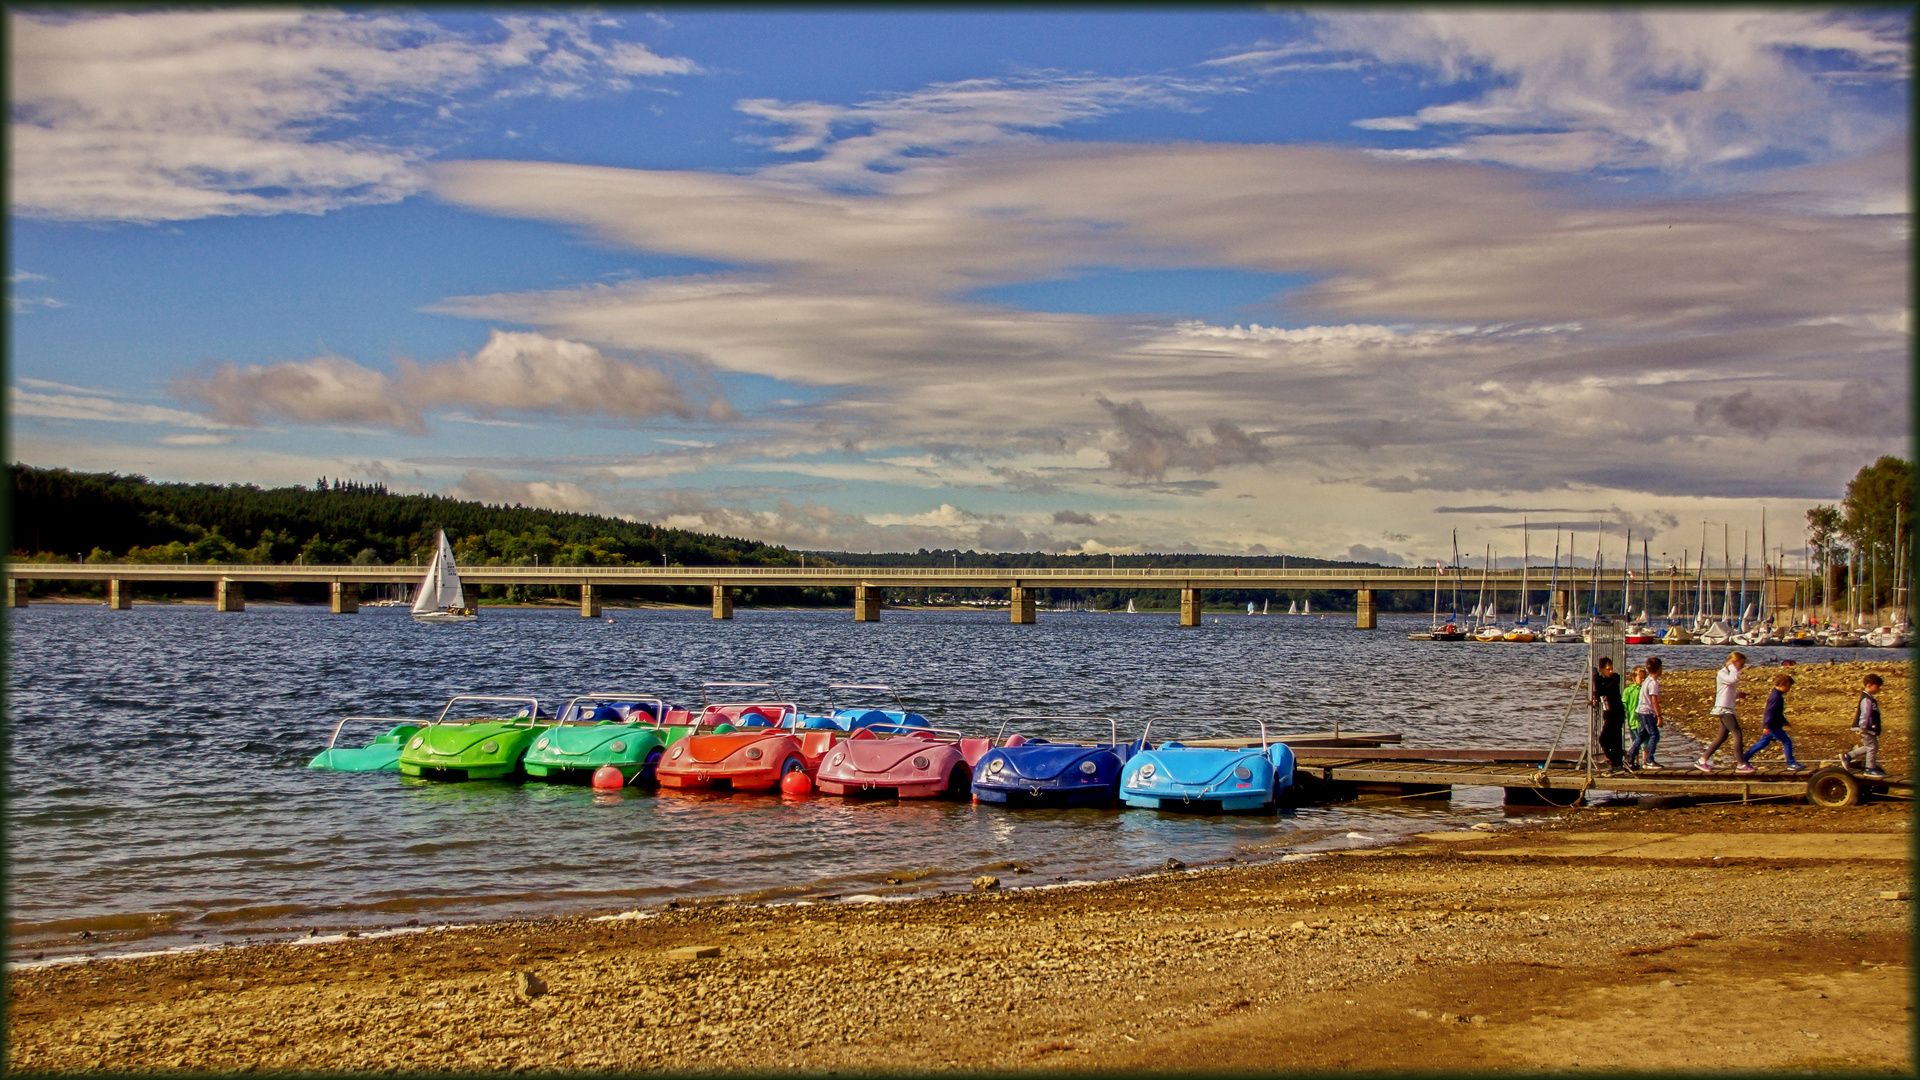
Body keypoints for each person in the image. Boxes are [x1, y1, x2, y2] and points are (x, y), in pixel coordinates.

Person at [1740, 673, 1805, 771]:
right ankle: (1791, 764)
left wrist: (1784, 721)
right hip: (1772, 726)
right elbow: (1770, 712)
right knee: (1787, 741)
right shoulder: (1776, 697)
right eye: (1788, 686)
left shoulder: (1776, 695)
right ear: (1782, 684)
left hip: (1773, 725)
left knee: (1763, 743)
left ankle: (1744, 758)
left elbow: (1777, 712)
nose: (1789, 689)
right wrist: (1767, 726)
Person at [1696, 651, 1748, 773]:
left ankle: (1702, 760)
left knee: (1722, 737)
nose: (1741, 668)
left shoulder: (1728, 673)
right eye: (1741, 665)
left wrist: (1737, 695)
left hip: (1726, 707)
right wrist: (1731, 666)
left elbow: (1726, 690)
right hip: (1723, 709)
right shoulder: (1723, 673)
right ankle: (1741, 764)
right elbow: (1733, 680)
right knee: (1737, 733)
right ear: (1734, 662)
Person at [1841, 673, 1886, 778]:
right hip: (1866, 728)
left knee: (1869, 746)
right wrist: (1863, 727)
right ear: (1869, 685)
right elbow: (1864, 714)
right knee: (1872, 747)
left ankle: (1848, 756)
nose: (1878, 689)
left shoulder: (1869, 698)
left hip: (1868, 728)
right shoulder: (1866, 699)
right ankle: (1869, 768)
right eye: (1877, 687)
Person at [1627, 656, 1664, 769]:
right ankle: (1649, 760)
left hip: (1640, 711)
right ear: (1659, 668)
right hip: (1646, 712)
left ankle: (1630, 757)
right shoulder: (1652, 683)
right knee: (1654, 735)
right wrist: (1658, 716)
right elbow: (1654, 701)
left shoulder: (1647, 680)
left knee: (1642, 736)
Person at [1591, 656, 1625, 774]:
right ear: (1602, 669)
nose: (1611, 671)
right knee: (1613, 740)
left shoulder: (1615, 679)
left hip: (1616, 713)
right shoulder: (1603, 680)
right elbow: (1599, 693)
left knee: (1604, 740)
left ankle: (1616, 762)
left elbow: (1601, 691)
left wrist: (1595, 677)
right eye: (1608, 669)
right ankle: (1616, 763)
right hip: (1610, 714)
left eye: (1611, 668)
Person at [1622, 666, 1646, 769]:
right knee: (1635, 741)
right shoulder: (1629, 690)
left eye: (1644, 677)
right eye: (1641, 678)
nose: (1643, 680)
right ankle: (1634, 761)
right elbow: (1624, 704)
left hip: (1643, 720)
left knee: (1644, 742)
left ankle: (1644, 762)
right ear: (1634, 678)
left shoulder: (1644, 689)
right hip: (1633, 720)